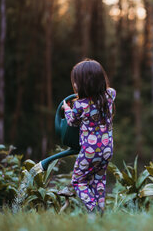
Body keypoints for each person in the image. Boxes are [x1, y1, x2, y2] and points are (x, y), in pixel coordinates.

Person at [62, 59, 116, 214]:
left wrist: (67, 108)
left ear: (83, 84)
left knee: (78, 181)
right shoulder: (110, 95)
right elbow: (109, 91)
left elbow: (72, 122)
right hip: (107, 149)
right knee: (99, 180)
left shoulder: (80, 105)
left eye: (76, 82)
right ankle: (101, 212)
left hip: (89, 152)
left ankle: (93, 209)